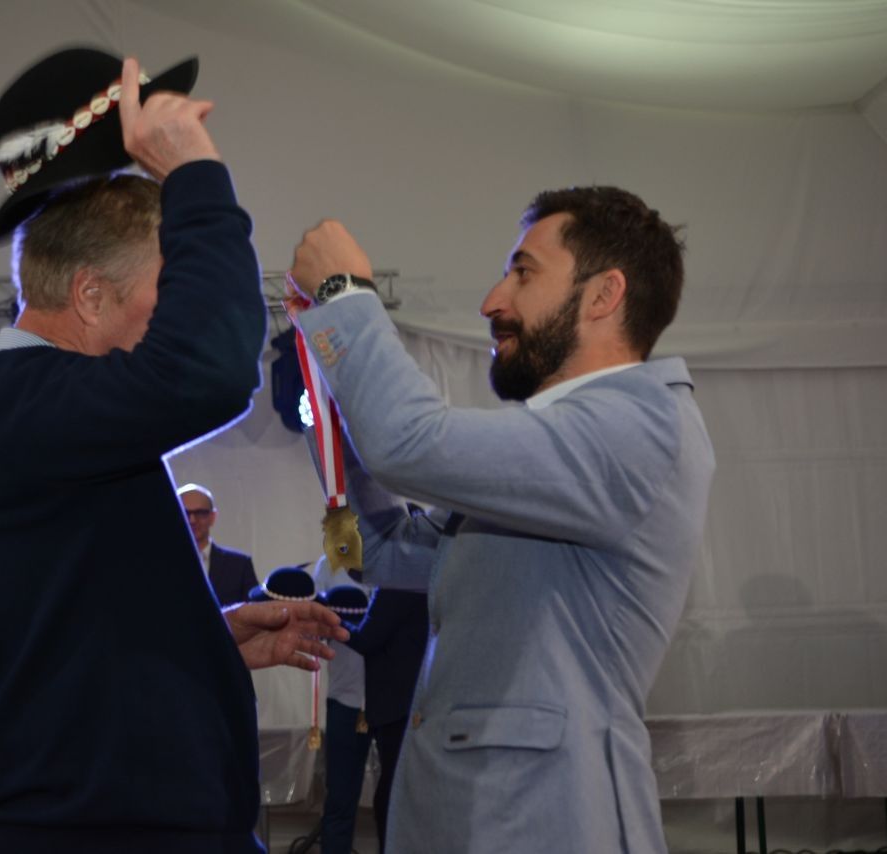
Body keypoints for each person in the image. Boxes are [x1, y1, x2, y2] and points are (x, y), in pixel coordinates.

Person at [0, 48, 346, 854]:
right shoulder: (7, 405)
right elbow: (211, 370)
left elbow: (63, 624)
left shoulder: (33, 413)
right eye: (166, 293)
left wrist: (202, 636)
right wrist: (197, 177)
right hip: (105, 828)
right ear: (89, 294)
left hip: (122, 818)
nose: (174, 318)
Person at [286, 186, 715, 852]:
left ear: (604, 295)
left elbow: (408, 442)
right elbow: (378, 553)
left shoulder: (638, 424)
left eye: (523, 273)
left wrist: (347, 295)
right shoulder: (563, 454)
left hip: (545, 823)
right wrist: (332, 420)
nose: (492, 301)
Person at [344, 583, 429, 851]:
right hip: (411, 702)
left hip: (396, 705)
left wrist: (330, 620)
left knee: (390, 796)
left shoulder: (395, 587)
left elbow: (367, 639)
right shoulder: (421, 582)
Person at [311, 558, 372, 854]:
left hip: (393, 699)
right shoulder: (331, 564)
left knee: (396, 796)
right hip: (346, 697)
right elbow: (315, 625)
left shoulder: (401, 557)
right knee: (340, 797)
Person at [178, 483, 258, 605]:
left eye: (200, 513)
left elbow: (254, 610)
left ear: (213, 517)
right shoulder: (161, 565)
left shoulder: (239, 565)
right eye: (185, 513)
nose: (192, 520)